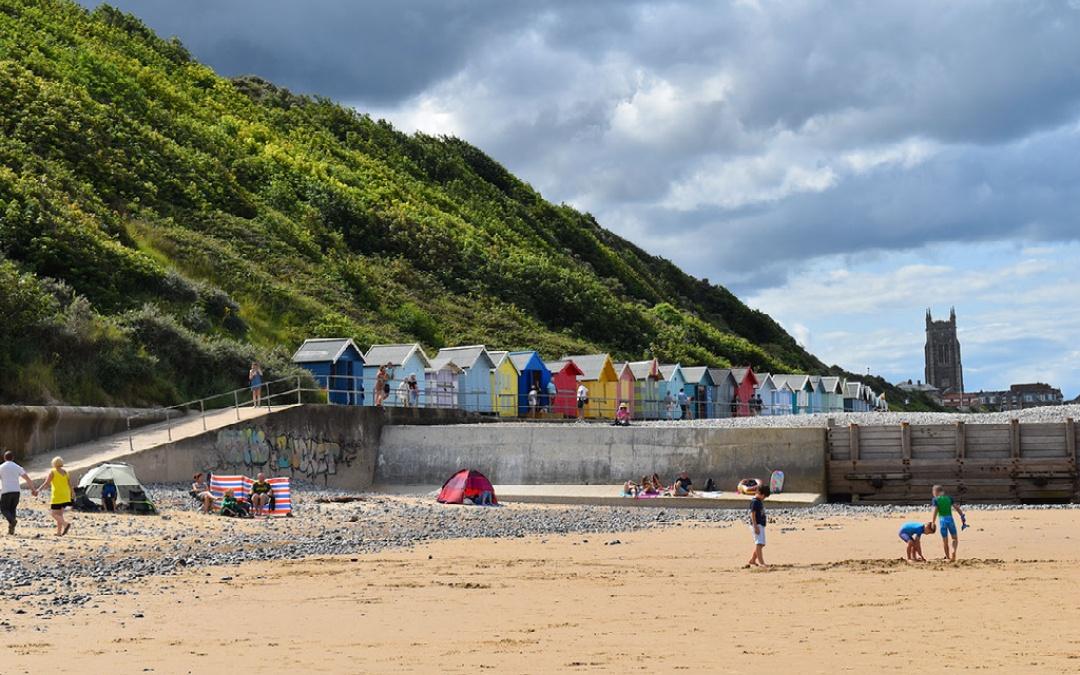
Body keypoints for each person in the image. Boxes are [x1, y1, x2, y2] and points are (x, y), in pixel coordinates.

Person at [36, 456, 73, 536]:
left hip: (57, 495)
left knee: (53, 514)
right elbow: (69, 484)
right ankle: (59, 532)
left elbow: (46, 483)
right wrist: (72, 493)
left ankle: (66, 524)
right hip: (66, 495)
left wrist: (38, 490)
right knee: (60, 515)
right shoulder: (66, 472)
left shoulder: (53, 472)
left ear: (54, 463)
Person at [1, 450, 36, 535]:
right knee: (12, 509)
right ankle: (11, 529)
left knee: (4, 509)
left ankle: (12, 521)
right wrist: (33, 490)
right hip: (16, 491)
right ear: (13, 458)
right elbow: (27, 479)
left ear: (4, 458)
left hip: (6, 491)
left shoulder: (1, 467)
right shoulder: (17, 467)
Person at [931, 485, 968, 561]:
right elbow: (957, 508)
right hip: (950, 520)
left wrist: (933, 522)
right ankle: (954, 551)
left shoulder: (935, 500)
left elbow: (935, 511)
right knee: (954, 538)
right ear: (943, 492)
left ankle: (947, 557)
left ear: (935, 492)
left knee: (945, 541)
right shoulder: (949, 498)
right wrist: (962, 516)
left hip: (942, 521)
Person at [746, 484, 771, 567]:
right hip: (756, 525)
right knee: (759, 543)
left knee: (762, 544)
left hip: (761, 524)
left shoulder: (759, 501)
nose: (764, 498)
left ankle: (753, 560)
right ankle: (762, 563)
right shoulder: (755, 502)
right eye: (764, 497)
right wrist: (755, 526)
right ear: (761, 494)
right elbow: (752, 514)